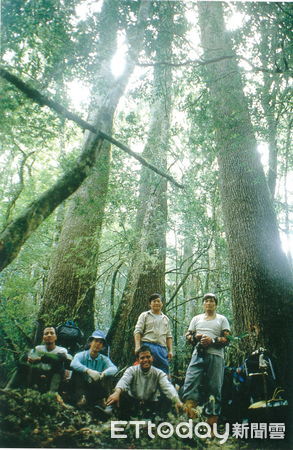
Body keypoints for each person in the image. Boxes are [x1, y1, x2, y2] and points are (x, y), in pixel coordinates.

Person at [181, 293, 231, 427]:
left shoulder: (222, 319)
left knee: (214, 389)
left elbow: (228, 339)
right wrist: (196, 338)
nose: (209, 303)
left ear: (216, 304)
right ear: (203, 304)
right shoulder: (196, 319)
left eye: (212, 301)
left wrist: (213, 340)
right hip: (198, 354)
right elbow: (188, 335)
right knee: (190, 384)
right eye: (206, 301)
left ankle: (211, 428)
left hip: (216, 355)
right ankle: (189, 425)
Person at [106, 345, 182, 418]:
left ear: (152, 358)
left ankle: (162, 418)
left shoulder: (159, 373)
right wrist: (117, 392)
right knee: (120, 394)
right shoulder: (132, 370)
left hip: (151, 404)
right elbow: (124, 381)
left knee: (167, 398)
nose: (145, 360)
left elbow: (167, 386)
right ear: (138, 360)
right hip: (133, 402)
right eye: (142, 358)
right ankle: (112, 413)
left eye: (148, 357)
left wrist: (177, 400)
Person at [7, 326, 72, 393]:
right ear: (43, 337)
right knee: (23, 362)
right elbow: (28, 357)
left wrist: (41, 358)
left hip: (53, 375)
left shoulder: (61, 350)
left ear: (56, 337)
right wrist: (29, 358)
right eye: (46, 333)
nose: (49, 335)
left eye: (52, 333)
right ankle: (10, 388)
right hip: (39, 373)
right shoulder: (38, 348)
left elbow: (60, 358)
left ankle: (52, 393)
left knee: (59, 365)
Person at [70, 330, 118, 407]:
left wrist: (103, 374)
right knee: (77, 372)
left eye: (101, 342)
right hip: (80, 387)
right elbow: (73, 363)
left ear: (102, 346)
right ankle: (81, 398)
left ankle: (103, 400)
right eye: (96, 341)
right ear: (90, 342)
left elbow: (114, 368)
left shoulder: (103, 359)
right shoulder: (81, 355)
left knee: (109, 376)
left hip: (94, 387)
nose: (98, 344)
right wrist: (88, 371)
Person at [134, 293, 173, 374]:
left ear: (162, 304)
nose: (156, 303)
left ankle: (164, 386)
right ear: (150, 304)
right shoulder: (144, 315)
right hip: (147, 346)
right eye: (154, 301)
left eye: (158, 301)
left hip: (162, 348)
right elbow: (138, 331)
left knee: (164, 370)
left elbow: (168, 336)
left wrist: (170, 351)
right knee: (146, 369)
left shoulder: (165, 319)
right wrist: (137, 346)